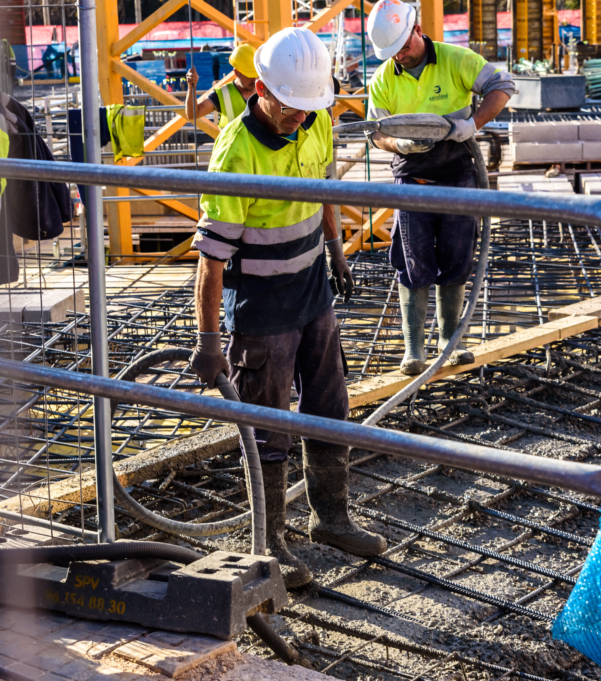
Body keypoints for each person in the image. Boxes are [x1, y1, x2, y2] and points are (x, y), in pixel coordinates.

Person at [189, 27, 385, 590]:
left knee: (328, 403)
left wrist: (336, 251)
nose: (302, 116)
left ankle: (332, 519)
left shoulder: (316, 117)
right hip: (261, 307)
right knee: (270, 426)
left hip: (311, 289)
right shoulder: (236, 151)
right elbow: (211, 260)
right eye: (292, 106)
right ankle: (271, 542)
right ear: (261, 90)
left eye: (309, 106)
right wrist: (207, 343)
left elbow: (323, 188)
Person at [365, 0, 515, 376]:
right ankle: (414, 350)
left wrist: (473, 123)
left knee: (456, 256)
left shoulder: (455, 59)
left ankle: (452, 340)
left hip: (457, 173)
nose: (401, 55)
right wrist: (397, 144)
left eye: (405, 45)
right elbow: (376, 133)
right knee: (413, 261)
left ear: (417, 30)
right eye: (393, 52)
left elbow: (503, 86)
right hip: (411, 178)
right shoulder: (383, 78)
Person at [184, 43, 258, 129]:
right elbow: (192, 114)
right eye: (249, 75)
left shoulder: (266, 92)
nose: (254, 79)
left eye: (256, 74)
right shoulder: (223, 94)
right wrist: (191, 87)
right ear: (236, 72)